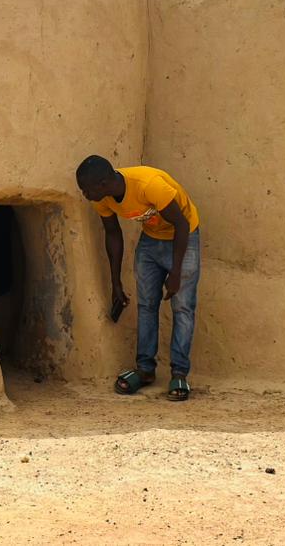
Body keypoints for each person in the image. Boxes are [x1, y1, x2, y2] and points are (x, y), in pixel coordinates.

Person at [75, 155, 201, 401]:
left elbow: (182, 225)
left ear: (102, 184)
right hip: (151, 240)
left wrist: (176, 273)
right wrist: (116, 283)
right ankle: (145, 370)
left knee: (183, 306)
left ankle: (179, 373)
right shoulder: (103, 199)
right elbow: (113, 235)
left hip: (183, 237)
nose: (85, 195)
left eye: (86, 190)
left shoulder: (148, 185)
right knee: (146, 304)